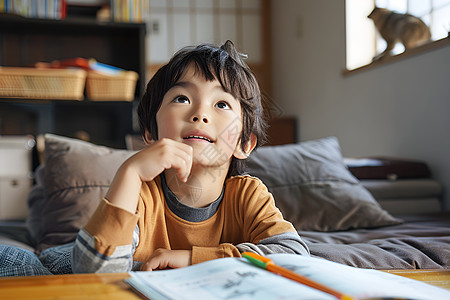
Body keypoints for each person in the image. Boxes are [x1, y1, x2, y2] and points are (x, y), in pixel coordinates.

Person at [72, 40, 309, 273]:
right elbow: (93, 271)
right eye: (182, 99)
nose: (200, 114)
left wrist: (194, 259)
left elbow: (294, 257)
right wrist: (130, 172)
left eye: (222, 104)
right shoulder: (139, 194)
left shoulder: (248, 195)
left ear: (244, 143)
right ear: (149, 133)